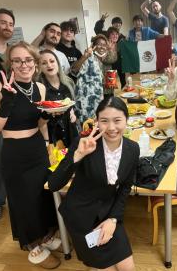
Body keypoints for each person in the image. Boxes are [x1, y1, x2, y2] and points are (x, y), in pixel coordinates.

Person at [48, 96, 140, 270]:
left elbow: (125, 187)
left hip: (109, 214)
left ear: (127, 121)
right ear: (96, 122)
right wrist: (77, 156)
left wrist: (113, 219)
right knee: (105, 268)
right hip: (81, 217)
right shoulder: (85, 144)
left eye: (117, 120)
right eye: (104, 121)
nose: (111, 128)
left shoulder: (132, 148)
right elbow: (53, 184)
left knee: (128, 267)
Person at [0, 41, 60, 268]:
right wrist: (6, 104)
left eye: (28, 60)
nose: (23, 65)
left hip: (36, 148)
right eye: (17, 60)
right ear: (10, 64)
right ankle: (33, 246)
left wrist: (49, 117)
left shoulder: (39, 88)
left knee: (42, 195)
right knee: (24, 201)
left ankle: (45, 235)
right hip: (14, 153)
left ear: (35, 62)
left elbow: (39, 123)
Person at [0, 8, 15, 221]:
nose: (7, 27)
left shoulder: (13, 52)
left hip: (16, 110)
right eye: (3, 22)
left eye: (10, 23)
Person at [38, 49, 78, 147]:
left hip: (71, 132)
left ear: (57, 63)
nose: (49, 65)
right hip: (53, 135)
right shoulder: (39, 88)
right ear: (39, 67)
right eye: (44, 63)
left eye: (52, 61)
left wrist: (73, 113)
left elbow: (72, 104)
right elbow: (39, 118)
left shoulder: (69, 83)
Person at [74, 34, 107, 124]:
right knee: (86, 129)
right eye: (99, 44)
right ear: (93, 46)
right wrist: (85, 56)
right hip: (86, 104)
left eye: (104, 45)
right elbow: (74, 70)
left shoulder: (99, 60)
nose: (102, 47)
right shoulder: (88, 58)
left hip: (97, 101)